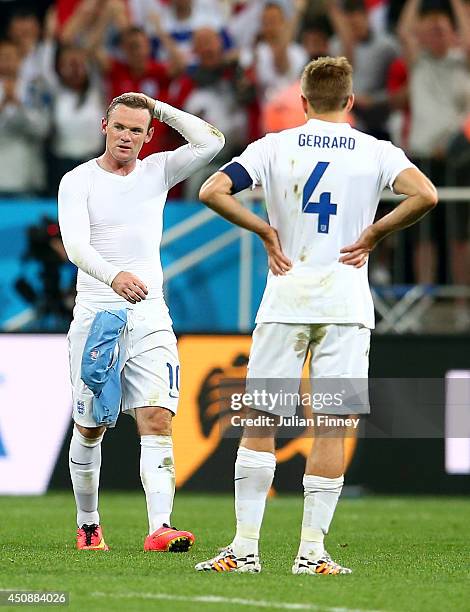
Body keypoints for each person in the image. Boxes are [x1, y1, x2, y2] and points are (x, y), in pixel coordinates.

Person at [195, 56, 437, 574]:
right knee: (332, 424)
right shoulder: (376, 151)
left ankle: (244, 549)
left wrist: (264, 229)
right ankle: (311, 553)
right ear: (350, 102)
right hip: (346, 307)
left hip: (286, 299)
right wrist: (374, 233)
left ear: (303, 102)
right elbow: (426, 195)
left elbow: (211, 189)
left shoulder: (274, 146)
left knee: (261, 419)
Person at [58, 92, 224, 551]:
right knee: (91, 427)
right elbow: (75, 246)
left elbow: (212, 142)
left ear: (149, 136)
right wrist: (115, 276)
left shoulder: (158, 171)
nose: (127, 136)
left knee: (156, 417)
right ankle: (89, 524)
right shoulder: (78, 181)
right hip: (97, 314)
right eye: (120, 127)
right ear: (103, 127)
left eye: (137, 129)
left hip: (150, 315)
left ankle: (160, 527)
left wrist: (157, 106)